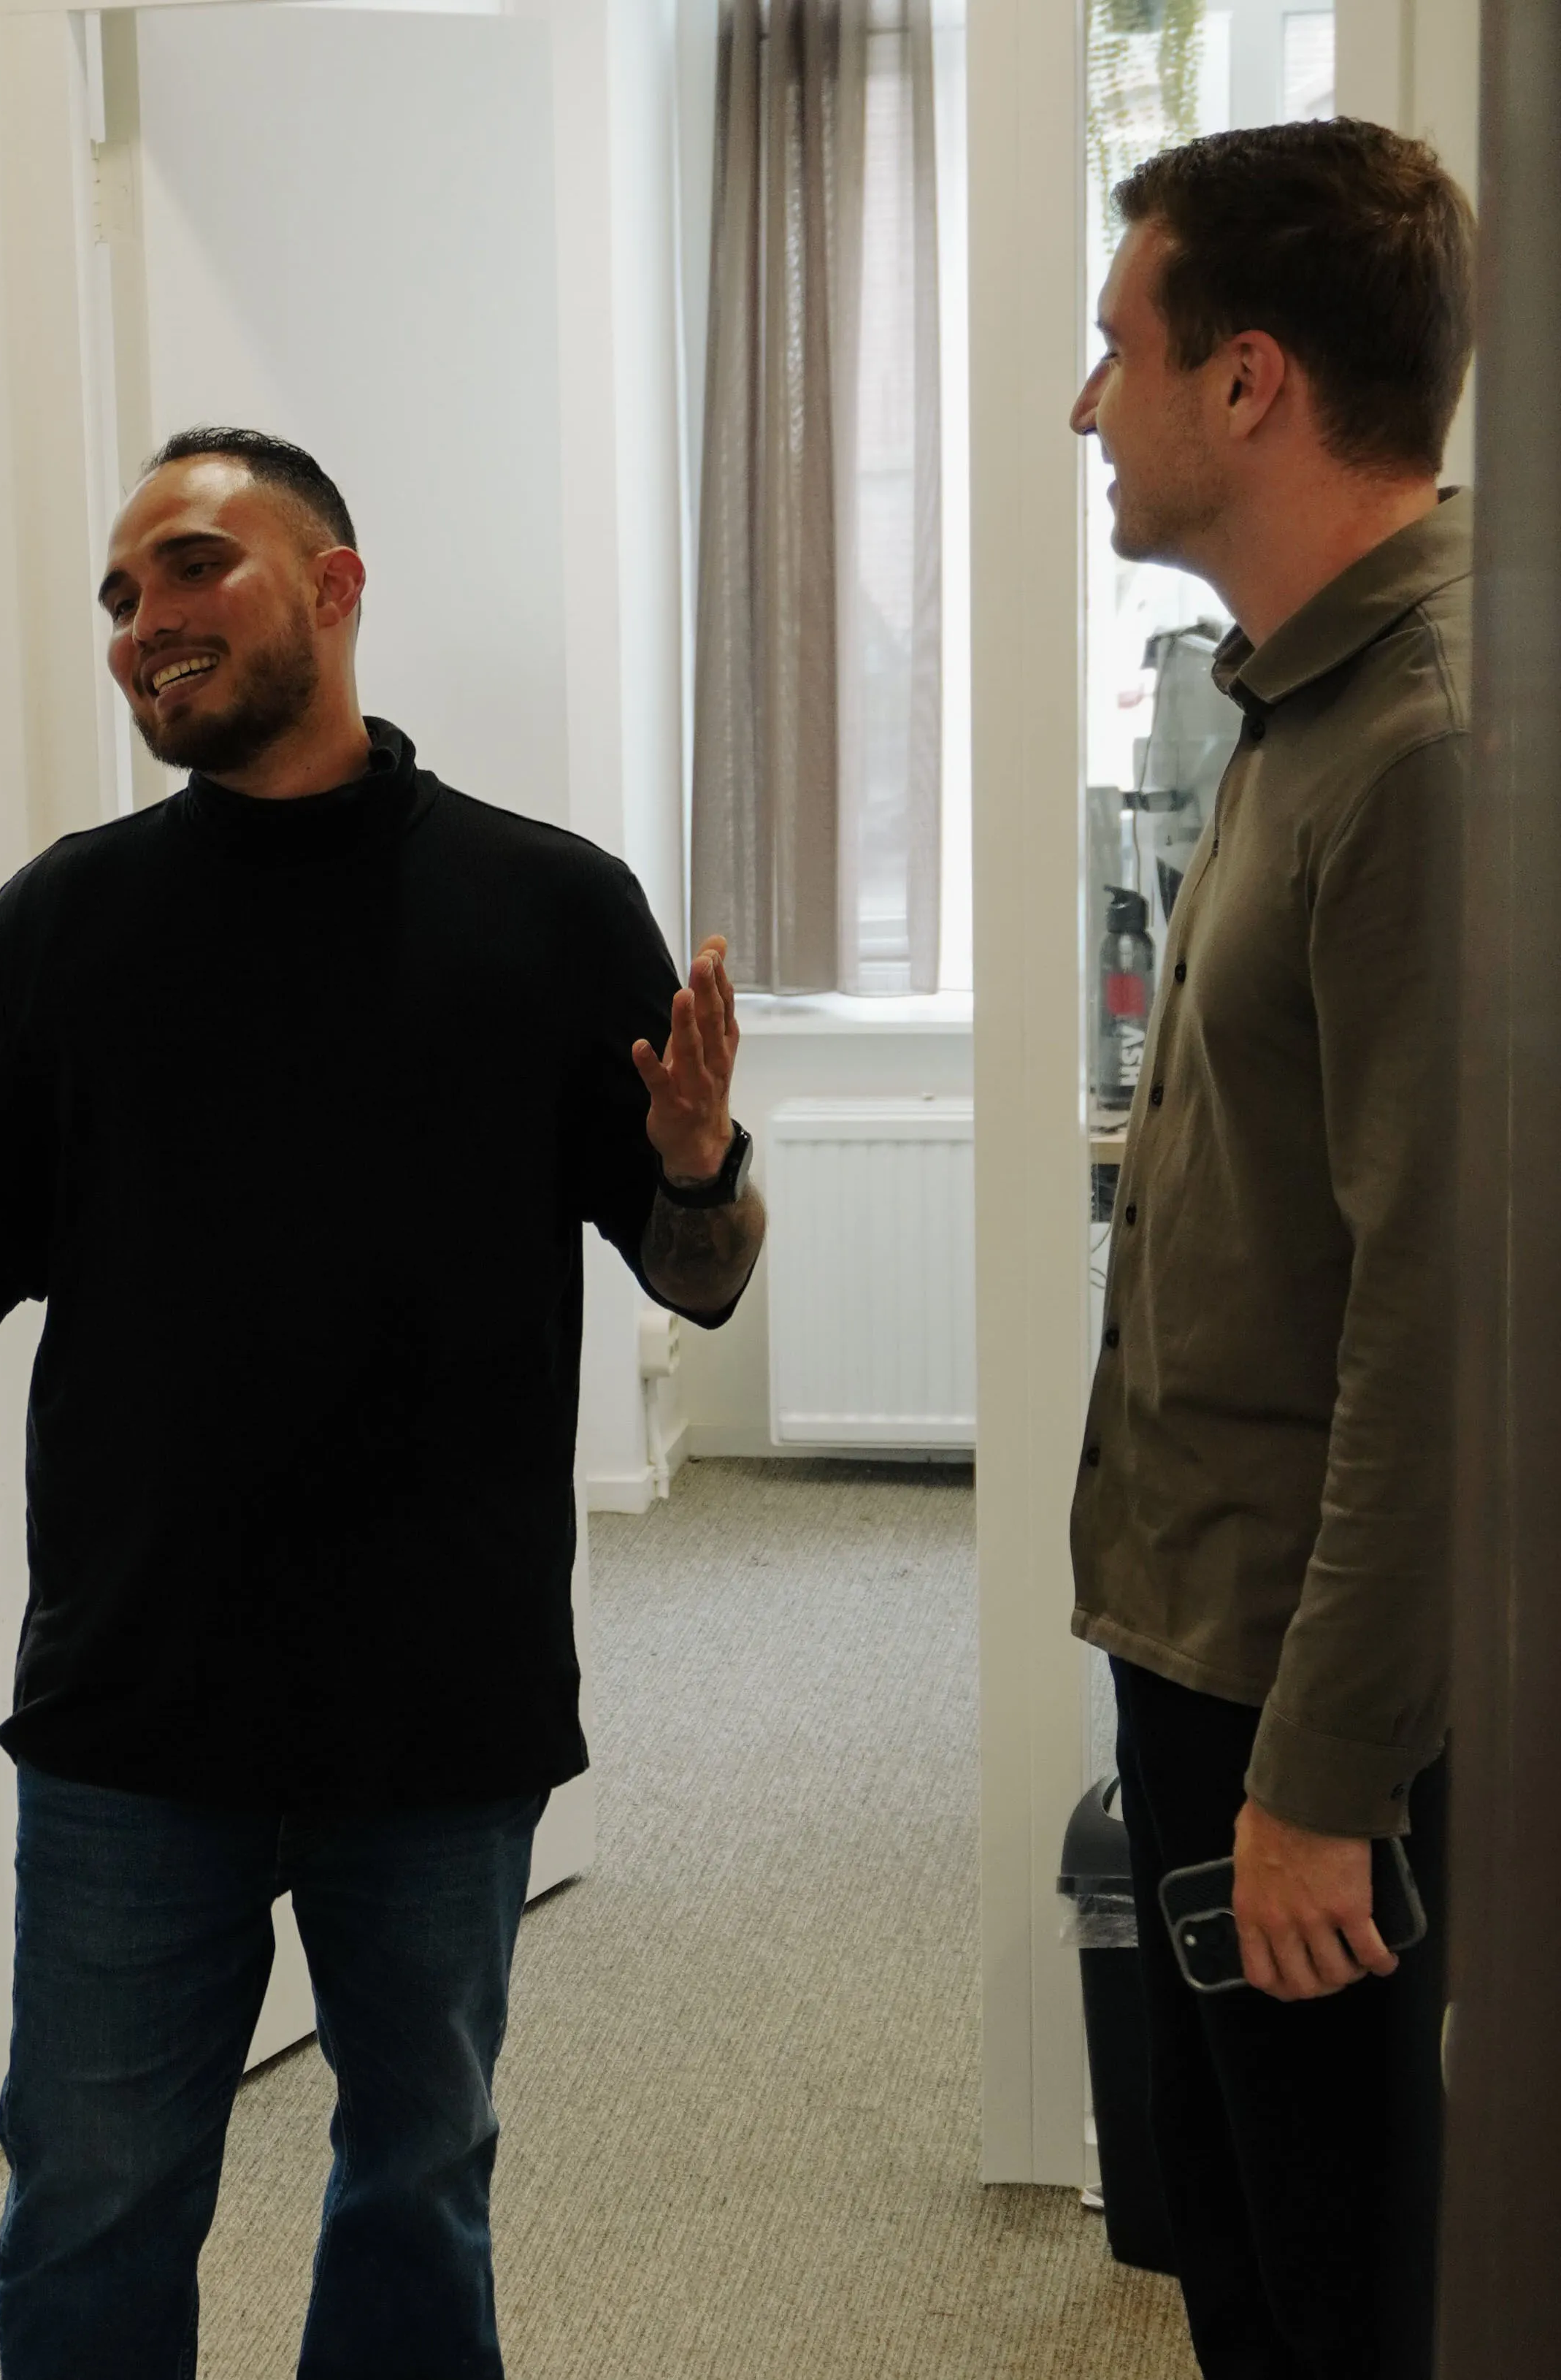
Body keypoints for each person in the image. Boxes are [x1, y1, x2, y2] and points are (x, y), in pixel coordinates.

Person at [0, 427, 763, 2376]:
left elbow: (696, 1271)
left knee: (420, 2174)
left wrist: (696, 1162)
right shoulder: (66, 922)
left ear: (335, 589)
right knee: (91, 2191)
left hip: (440, 1682)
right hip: (139, 1686)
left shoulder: (545, 904)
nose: (144, 624)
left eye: (193, 568)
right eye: (119, 596)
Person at [1067, 122, 1473, 2379]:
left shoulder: (1426, 742)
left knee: (1339, 2296)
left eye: (1115, 349)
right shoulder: (1297, 699)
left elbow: (1446, 1327)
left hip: (1305, 1688)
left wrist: (1321, 1779)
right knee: (1234, 2245)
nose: (1086, 405)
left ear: (1248, 382)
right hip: (1209, 1627)